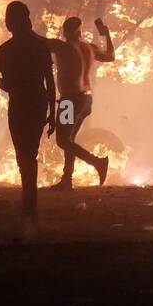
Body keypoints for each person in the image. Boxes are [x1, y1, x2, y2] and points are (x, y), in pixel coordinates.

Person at [0, 1, 55, 229]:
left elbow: (7, 84)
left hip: (19, 104)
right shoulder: (40, 46)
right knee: (30, 151)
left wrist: (4, 84)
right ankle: (30, 203)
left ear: (10, 22)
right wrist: (53, 110)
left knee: (24, 155)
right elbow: (49, 80)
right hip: (38, 104)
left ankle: (29, 203)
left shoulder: (4, 50)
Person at [45, 17, 112, 188]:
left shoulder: (62, 47)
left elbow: (39, 42)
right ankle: (67, 179)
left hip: (70, 102)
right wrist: (107, 35)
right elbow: (110, 56)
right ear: (80, 33)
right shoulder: (89, 48)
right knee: (70, 139)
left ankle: (97, 162)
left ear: (66, 32)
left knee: (63, 140)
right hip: (85, 100)